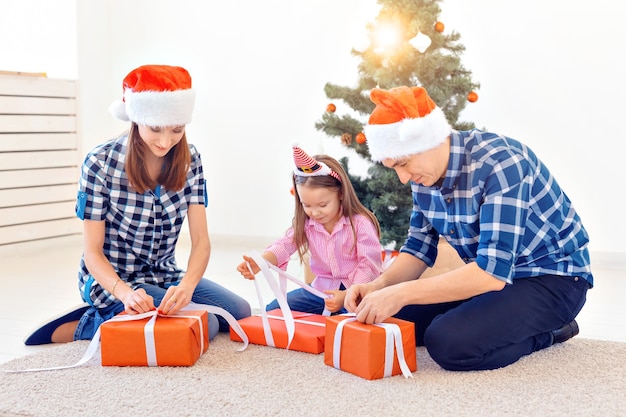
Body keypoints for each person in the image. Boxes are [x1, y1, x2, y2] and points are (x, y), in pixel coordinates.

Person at [344, 86, 593, 371]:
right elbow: (418, 248)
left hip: (553, 281)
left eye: (404, 164)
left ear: (432, 140)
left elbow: (490, 273)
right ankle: (483, 316)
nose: (402, 178)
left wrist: (401, 293)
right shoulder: (422, 177)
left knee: (448, 342)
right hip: (492, 279)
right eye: (393, 168)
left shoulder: (501, 162)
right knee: (392, 318)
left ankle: (550, 334)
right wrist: (378, 287)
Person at [25, 64, 251, 345]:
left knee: (240, 312)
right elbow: (92, 253)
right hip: (113, 282)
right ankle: (87, 323)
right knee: (208, 325)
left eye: (177, 130)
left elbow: (201, 241)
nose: (165, 140)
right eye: (155, 128)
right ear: (137, 118)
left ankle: (128, 317)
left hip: (162, 276)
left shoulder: (190, 161)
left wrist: (187, 285)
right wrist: (125, 294)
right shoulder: (100, 163)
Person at [237, 146, 383, 315]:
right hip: (320, 291)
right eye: (306, 205)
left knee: (355, 321)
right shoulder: (307, 223)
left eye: (322, 205)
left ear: (341, 193)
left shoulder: (360, 224)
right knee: (274, 311)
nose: (314, 212)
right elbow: (285, 245)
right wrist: (261, 262)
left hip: (355, 292)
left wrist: (346, 296)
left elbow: (369, 266)